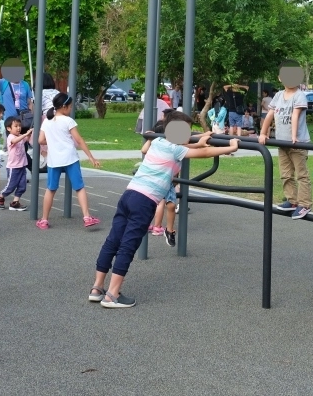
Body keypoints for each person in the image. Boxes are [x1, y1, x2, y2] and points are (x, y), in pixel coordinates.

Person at [89, 112, 236, 308]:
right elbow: (204, 153)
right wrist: (231, 146)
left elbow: (186, 147)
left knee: (113, 241)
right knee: (128, 246)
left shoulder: (159, 142)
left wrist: (199, 141)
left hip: (129, 195)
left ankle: (97, 288)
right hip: (144, 202)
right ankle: (112, 295)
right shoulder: (176, 150)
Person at [36, 93, 101, 229]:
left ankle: (44, 220)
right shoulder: (68, 121)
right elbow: (79, 140)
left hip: (54, 160)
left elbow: (40, 140)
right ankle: (87, 217)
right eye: (70, 106)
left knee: (51, 189)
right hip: (70, 158)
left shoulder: (47, 121)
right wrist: (90, 157)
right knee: (79, 187)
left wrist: (53, 141)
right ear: (64, 107)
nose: (71, 109)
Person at [260, 63, 312, 219]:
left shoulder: (299, 95)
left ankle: (304, 204)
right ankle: (292, 200)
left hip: (297, 142)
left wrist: (294, 136)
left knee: (301, 174)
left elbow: (295, 115)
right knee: (286, 174)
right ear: (280, 78)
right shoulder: (278, 95)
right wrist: (263, 133)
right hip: (282, 143)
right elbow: (269, 115)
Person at [0, 117, 32, 211]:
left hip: (22, 166)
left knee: (22, 186)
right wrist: (25, 134)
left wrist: (28, 134)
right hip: (13, 167)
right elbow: (15, 141)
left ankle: (15, 203)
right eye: (16, 126)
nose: (18, 128)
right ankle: (0, 197)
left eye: (19, 126)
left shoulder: (20, 137)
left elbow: (26, 140)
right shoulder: (11, 137)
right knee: (10, 187)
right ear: (9, 129)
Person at [0, 58, 34, 129]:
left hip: (23, 121)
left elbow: (29, 102)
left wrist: (31, 116)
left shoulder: (25, 84)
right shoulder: (3, 83)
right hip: (8, 121)